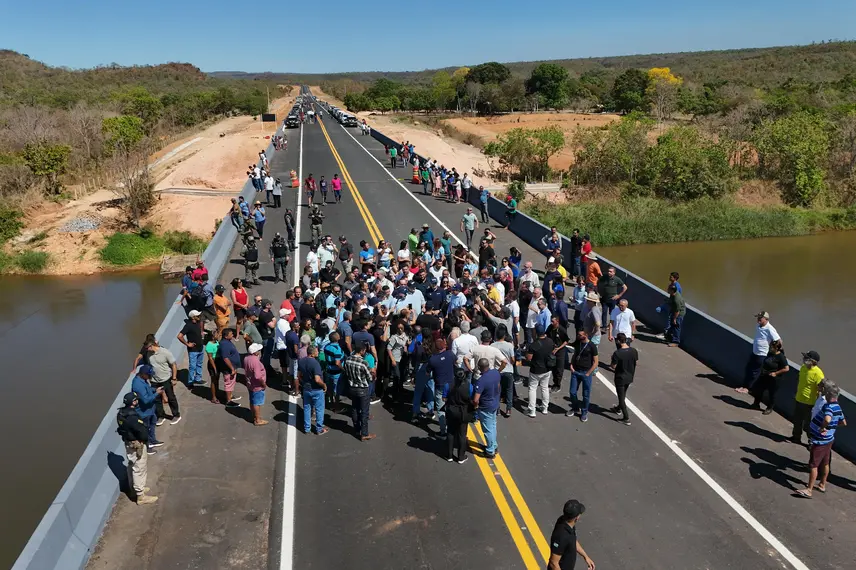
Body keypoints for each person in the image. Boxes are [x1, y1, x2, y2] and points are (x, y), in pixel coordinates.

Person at [796, 384, 846, 498]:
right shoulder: (838, 407)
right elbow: (843, 422)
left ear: (829, 394)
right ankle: (822, 484)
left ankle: (809, 490)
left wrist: (824, 427)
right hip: (829, 439)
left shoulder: (828, 407)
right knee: (825, 462)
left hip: (820, 440)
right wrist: (832, 427)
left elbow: (827, 419)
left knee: (813, 465)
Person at [116, 392, 158, 505]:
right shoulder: (132, 417)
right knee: (139, 468)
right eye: (136, 400)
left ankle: (134, 489)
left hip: (128, 443)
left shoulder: (121, 413)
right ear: (133, 402)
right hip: (136, 444)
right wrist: (144, 440)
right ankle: (140, 496)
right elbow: (142, 432)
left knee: (132, 466)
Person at [737, 311, 781, 394]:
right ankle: (744, 386)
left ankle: (748, 388)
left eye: (760, 318)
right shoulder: (758, 325)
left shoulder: (770, 329)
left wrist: (775, 351)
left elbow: (779, 341)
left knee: (755, 372)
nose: (758, 319)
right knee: (748, 369)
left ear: (766, 319)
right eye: (758, 318)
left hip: (762, 354)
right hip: (755, 352)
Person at [548, 499, 595, 570]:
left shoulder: (567, 523)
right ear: (577, 517)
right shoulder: (561, 536)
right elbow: (553, 563)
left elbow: (572, 541)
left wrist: (585, 556)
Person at [791, 350, 825, 444]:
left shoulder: (818, 373)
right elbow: (800, 381)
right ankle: (796, 437)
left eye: (806, 358)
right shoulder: (803, 368)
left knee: (809, 425)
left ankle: (811, 442)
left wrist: (817, 405)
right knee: (797, 420)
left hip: (810, 404)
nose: (804, 359)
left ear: (813, 361)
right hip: (799, 399)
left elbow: (821, 390)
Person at [344, 342, 375, 441]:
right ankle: (364, 433)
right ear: (362, 351)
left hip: (352, 388)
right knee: (364, 412)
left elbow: (346, 371)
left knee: (354, 409)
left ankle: (357, 429)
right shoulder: (363, 363)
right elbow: (369, 378)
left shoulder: (348, 359)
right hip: (362, 389)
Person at [749, 340, 789, 415]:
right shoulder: (769, 353)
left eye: (772, 347)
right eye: (770, 346)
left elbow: (786, 368)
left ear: (776, 348)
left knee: (772, 394)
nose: (770, 348)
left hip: (774, 379)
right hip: (765, 375)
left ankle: (769, 408)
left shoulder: (781, 357)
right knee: (758, 389)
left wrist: (776, 373)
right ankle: (756, 404)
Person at [147, 340, 180, 425]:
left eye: (147, 348)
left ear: (151, 346)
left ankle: (176, 415)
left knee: (171, 397)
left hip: (166, 379)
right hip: (154, 380)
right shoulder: (148, 354)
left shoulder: (165, 352)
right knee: (157, 399)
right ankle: (161, 416)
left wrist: (174, 378)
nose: (146, 350)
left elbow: (173, 365)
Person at [131, 364, 163, 453]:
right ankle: (148, 447)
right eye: (149, 375)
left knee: (152, 424)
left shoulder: (143, 380)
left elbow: (147, 389)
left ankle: (153, 440)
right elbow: (145, 400)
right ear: (143, 374)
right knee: (145, 430)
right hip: (144, 412)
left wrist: (154, 390)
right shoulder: (138, 385)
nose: (150, 377)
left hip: (150, 410)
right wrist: (157, 393)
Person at [567, 329, 598, 422]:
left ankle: (584, 412)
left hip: (586, 372)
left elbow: (596, 362)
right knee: (572, 392)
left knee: (586, 395)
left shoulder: (592, 346)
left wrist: (589, 373)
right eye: (578, 335)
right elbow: (575, 354)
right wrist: (571, 365)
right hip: (576, 371)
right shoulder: (578, 343)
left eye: (581, 335)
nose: (579, 336)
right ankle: (575, 407)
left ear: (586, 335)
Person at [473, 357, 502, 458]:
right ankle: (494, 445)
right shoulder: (496, 373)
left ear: (480, 367)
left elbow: (476, 399)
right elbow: (498, 386)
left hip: (485, 407)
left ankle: (490, 451)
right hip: (494, 403)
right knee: (493, 426)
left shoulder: (481, 381)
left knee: (487, 429)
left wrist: (475, 407)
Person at [444, 369, 474, 464]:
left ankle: (449, 455)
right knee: (462, 434)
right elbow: (472, 398)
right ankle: (461, 457)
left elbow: (444, 398)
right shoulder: (469, 386)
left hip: (452, 411)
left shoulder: (448, 385)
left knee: (450, 432)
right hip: (463, 412)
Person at [298, 346, 329, 435]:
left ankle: (307, 428)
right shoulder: (315, 363)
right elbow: (317, 379)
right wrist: (324, 385)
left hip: (306, 388)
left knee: (307, 408)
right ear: (312, 353)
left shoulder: (301, 361)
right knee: (319, 409)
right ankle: (319, 429)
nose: (318, 352)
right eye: (316, 351)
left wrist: (304, 383)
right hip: (316, 389)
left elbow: (299, 375)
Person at [526, 324, 555, 418]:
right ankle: (545, 408)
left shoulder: (534, 344)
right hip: (547, 369)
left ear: (536, 332)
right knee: (544, 388)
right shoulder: (550, 341)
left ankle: (532, 410)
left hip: (536, 370)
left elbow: (529, 358)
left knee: (532, 388)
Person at [610, 332, 638, 426]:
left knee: (621, 398)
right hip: (630, 376)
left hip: (620, 378)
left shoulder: (617, 353)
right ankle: (618, 408)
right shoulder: (633, 351)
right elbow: (635, 361)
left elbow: (613, 366)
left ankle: (626, 418)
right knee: (623, 393)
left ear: (618, 341)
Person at [177, 310, 204, 386]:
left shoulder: (198, 323)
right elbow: (179, 336)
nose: (200, 317)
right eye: (198, 316)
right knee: (192, 366)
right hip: (193, 350)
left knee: (199, 364)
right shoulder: (188, 326)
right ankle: (190, 382)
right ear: (193, 317)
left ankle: (198, 379)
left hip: (200, 348)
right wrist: (187, 344)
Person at [244, 343, 269, 426]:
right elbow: (258, 376)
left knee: (252, 400)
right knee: (257, 402)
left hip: (250, 383)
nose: (259, 351)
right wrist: (263, 384)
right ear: (255, 352)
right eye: (258, 350)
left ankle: (254, 415)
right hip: (257, 385)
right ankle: (257, 420)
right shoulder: (255, 361)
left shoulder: (246, 358)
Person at [217, 328, 243, 408]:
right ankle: (228, 401)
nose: (232, 335)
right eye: (231, 334)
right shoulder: (224, 344)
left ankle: (230, 395)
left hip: (232, 367)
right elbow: (225, 358)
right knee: (229, 383)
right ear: (226, 336)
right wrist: (232, 368)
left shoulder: (226, 342)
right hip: (228, 369)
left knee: (231, 383)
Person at [547, 315, 570, 393]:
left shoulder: (561, 330)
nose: (551, 322)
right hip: (552, 351)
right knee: (553, 367)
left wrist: (558, 348)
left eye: (553, 321)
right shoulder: (550, 327)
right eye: (551, 321)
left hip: (560, 352)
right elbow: (546, 335)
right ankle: (555, 382)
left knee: (559, 369)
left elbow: (566, 341)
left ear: (557, 321)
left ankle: (558, 385)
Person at [204, 330, 221, 404]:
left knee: (217, 379)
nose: (219, 335)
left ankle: (217, 393)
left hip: (218, 362)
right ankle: (214, 397)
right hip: (213, 364)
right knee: (213, 380)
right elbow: (210, 358)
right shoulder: (209, 345)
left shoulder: (216, 342)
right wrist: (215, 368)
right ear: (213, 337)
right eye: (217, 334)